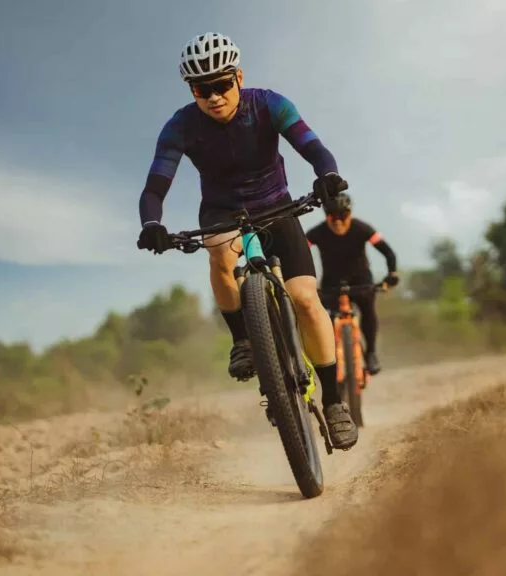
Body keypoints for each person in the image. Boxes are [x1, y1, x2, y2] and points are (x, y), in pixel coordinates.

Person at [135, 32, 357, 450]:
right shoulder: (180, 126)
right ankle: (242, 341)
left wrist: (326, 175)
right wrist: (152, 222)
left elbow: (314, 147)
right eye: (204, 89)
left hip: (277, 205)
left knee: (306, 299)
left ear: (238, 77)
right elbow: (155, 185)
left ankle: (333, 402)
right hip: (222, 210)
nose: (215, 97)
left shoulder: (269, 104)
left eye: (221, 85)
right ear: (192, 91)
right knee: (220, 255)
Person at [306, 193, 398, 375]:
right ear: (326, 215)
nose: (338, 221)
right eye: (332, 215)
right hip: (331, 283)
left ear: (350, 214)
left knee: (368, 311)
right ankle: (328, 360)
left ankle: (371, 353)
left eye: (342, 215)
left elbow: (388, 252)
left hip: (361, 280)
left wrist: (392, 274)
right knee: (325, 320)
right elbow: (297, 251)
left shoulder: (362, 229)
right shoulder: (317, 232)